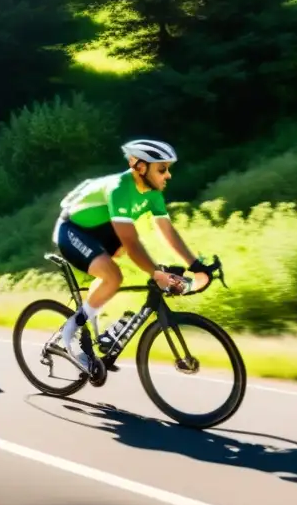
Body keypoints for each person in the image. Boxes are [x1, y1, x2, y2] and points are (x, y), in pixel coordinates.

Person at [53, 139, 212, 370]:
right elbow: (131, 242)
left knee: (118, 273)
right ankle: (70, 331)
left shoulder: (154, 194)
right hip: (73, 230)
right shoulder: (120, 188)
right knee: (114, 276)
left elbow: (168, 231)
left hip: (103, 230)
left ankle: (95, 321)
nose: (168, 175)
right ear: (140, 167)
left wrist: (196, 265)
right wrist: (157, 273)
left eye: (168, 169)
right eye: (162, 169)